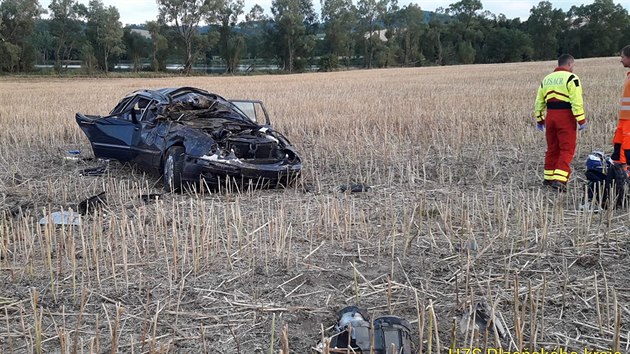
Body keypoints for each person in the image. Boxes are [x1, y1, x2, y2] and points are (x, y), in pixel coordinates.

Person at [534, 54, 587, 191]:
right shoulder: (571, 78)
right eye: (573, 65)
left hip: (550, 117)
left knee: (552, 148)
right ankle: (560, 180)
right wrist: (581, 120)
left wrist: (540, 119)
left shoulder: (547, 79)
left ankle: (549, 178)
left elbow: (539, 102)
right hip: (565, 117)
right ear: (569, 64)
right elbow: (576, 101)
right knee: (566, 148)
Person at [611, 45, 630, 174]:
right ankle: (619, 174)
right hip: (624, 119)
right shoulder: (629, 76)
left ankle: (626, 174)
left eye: (622, 57)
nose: (621, 60)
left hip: (629, 120)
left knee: (627, 148)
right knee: (618, 146)